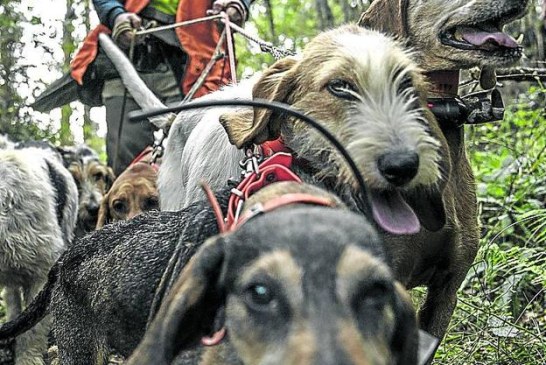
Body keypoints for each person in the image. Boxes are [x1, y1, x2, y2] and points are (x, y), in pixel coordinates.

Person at [71, 0, 253, 175]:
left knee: (192, 151)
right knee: (124, 161)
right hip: (124, 55)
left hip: (191, 64)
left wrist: (238, 3)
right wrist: (116, 15)